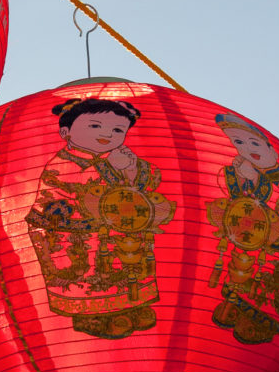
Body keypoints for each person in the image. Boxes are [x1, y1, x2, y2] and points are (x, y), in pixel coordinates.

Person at [24, 96, 174, 339]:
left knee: (128, 266)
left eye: (117, 130)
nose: (108, 134)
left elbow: (149, 180)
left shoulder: (116, 158)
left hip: (116, 229)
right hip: (75, 232)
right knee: (92, 275)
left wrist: (131, 168)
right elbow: (78, 187)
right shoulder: (62, 162)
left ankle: (132, 306)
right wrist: (112, 167)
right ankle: (92, 317)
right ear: (66, 132)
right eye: (94, 126)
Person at [205, 111, 279, 344]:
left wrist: (255, 180)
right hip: (252, 245)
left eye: (254, 142)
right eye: (239, 143)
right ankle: (236, 311)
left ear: (272, 151)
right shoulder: (244, 174)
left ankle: (258, 323)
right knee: (242, 278)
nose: (247, 148)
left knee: (268, 289)